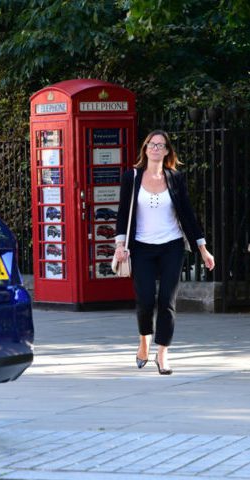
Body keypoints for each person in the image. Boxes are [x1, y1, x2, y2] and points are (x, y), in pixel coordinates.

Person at [114, 130, 215, 375]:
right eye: (152, 144)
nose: (156, 148)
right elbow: (123, 213)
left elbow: (188, 215)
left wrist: (203, 249)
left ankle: (163, 353)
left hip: (171, 245)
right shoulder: (132, 177)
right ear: (145, 148)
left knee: (167, 301)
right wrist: (120, 246)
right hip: (141, 247)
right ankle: (144, 341)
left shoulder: (175, 178)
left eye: (161, 145)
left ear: (168, 151)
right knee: (146, 299)